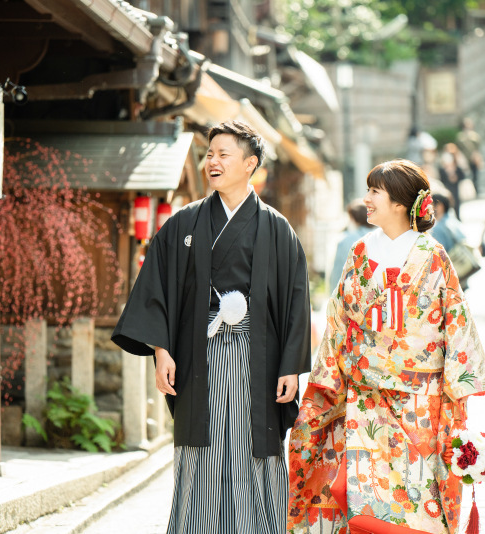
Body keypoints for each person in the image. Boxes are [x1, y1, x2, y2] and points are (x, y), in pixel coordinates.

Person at [111, 120, 311, 534]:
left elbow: (295, 300)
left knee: (255, 447)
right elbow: (157, 289)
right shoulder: (183, 224)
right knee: (200, 449)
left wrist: (290, 366)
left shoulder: (276, 228)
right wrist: (161, 351)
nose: (213, 162)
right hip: (198, 352)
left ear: (250, 164)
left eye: (224, 154)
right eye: (209, 154)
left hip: (258, 356)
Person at [288, 160, 485, 533]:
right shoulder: (360, 251)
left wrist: (456, 390)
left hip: (421, 400)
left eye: (374, 192)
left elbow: (456, 324)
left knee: (417, 498)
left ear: (399, 202)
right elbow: (339, 320)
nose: (365, 199)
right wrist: (328, 379)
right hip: (365, 397)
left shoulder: (433, 256)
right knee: (365, 497)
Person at [330, 199, 373, 288]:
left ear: (352, 218)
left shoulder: (345, 240)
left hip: (352, 292)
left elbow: (337, 273)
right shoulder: (381, 236)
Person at [438, 143, 466, 213]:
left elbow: (462, 176)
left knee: (456, 205)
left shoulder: (457, 167)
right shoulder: (442, 169)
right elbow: (441, 179)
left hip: (456, 190)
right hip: (447, 189)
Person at [455, 117, 482, 190]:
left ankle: (476, 189)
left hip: (473, 158)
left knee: (475, 175)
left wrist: (478, 159)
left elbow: (478, 149)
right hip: (464, 158)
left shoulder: (475, 136)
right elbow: (458, 148)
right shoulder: (460, 136)